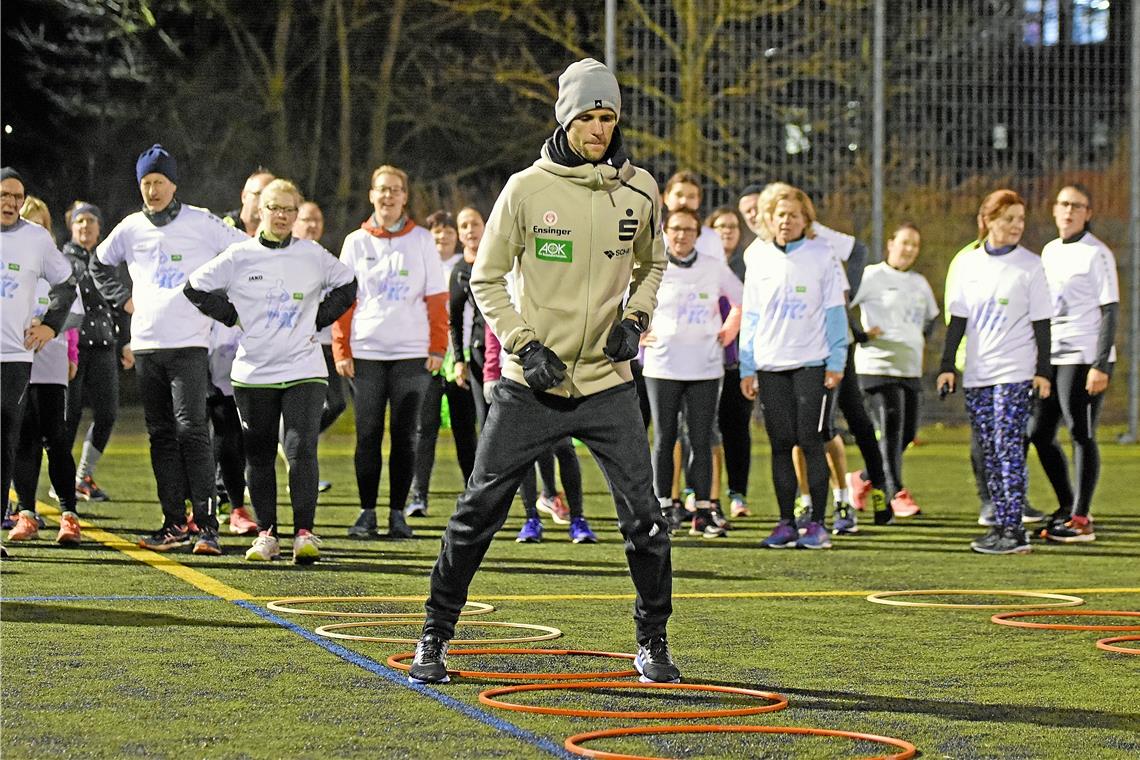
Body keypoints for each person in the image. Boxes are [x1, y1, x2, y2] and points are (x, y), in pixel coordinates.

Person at [410, 58, 676, 685]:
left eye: (608, 117)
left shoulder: (640, 190)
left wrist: (634, 321)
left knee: (646, 518)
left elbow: (654, 265)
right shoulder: (525, 190)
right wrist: (524, 345)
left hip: (609, 385)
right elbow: (486, 277)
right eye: (588, 117)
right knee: (478, 510)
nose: (599, 129)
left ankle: (653, 641)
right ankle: (433, 634)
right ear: (566, 118)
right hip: (533, 384)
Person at [186, 178, 356, 563]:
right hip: (253, 373)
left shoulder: (312, 254)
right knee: (259, 455)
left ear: (297, 214)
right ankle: (266, 535)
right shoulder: (239, 255)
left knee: (301, 449)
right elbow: (194, 287)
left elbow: (348, 284)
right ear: (259, 210)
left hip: (304, 369)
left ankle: (304, 534)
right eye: (274, 208)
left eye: (288, 209)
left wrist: (318, 317)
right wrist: (232, 317)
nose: (281, 216)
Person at [92, 144, 248, 554]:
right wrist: (122, 298)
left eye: (159, 182)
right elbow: (98, 263)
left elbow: (245, 249)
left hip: (190, 345)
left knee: (193, 431)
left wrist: (223, 304)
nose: (152, 190)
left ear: (173, 183)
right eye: (146, 183)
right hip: (146, 346)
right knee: (160, 435)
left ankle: (207, 526)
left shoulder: (201, 221)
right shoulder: (129, 227)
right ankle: (173, 523)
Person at [333, 165, 448, 539]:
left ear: (404, 196)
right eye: (381, 189)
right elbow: (344, 300)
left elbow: (436, 298)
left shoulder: (423, 241)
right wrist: (342, 348)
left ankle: (397, 513)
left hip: (411, 354)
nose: (388, 196)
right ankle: (367, 513)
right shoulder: (355, 242)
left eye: (395, 190)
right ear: (371, 195)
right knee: (367, 435)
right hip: (365, 352)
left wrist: (437, 346)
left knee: (405, 435)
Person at [938, 189, 1052, 555]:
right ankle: (1000, 525)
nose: (1017, 226)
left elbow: (1042, 325)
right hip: (977, 372)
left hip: (1015, 371)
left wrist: (1042, 371)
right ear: (988, 221)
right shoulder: (968, 265)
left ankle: (1014, 529)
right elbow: (958, 319)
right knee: (989, 449)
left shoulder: (1031, 266)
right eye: (1009, 219)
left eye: (1021, 219)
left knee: (1008, 447)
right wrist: (946, 365)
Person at [739, 185, 848, 550]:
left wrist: (837, 360)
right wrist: (747, 367)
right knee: (780, 444)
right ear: (769, 217)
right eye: (780, 214)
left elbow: (835, 311)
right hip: (770, 364)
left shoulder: (822, 255)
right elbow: (751, 314)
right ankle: (786, 522)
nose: (787, 221)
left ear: (806, 219)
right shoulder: (757, 256)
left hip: (811, 363)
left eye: (794, 215)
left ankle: (817, 524)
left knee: (810, 440)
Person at [643, 206, 742, 538]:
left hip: (705, 366)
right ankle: (663, 508)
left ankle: (703, 509)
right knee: (664, 438)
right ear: (665, 232)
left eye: (687, 229)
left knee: (699, 438)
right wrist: (638, 334)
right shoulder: (651, 267)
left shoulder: (714, 268)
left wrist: (730, 329)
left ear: (698, 235)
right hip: (663, 365)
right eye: (675, 229)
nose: (681, 235)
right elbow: (622, 299)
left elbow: (743, 299)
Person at [1030, 184, 1118, 543]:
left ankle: (1082, 519)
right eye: (1064, 204)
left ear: (1088, 213)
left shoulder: (1097, 254)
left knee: (1080, 433)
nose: (1069, 211)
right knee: (1038, 433)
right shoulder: (1049, 251)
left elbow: (1110, 310)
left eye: (1077, 206)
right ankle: (1068, 506)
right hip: (1053, 356)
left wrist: (1101, 364)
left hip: (1083, 358)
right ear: (1054, 210)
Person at [1, 168, 79, 550]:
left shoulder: (36, 240)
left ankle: (18, 517)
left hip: (17, 357)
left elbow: (67, 287)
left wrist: (50, 326)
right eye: (4, 194)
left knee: (9, 441)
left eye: (17, 196)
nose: (11, 203)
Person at [850, 223, 939, 516]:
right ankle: (895, 491)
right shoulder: (873, 276)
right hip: (877, 366)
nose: (909, 249)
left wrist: (916, 339)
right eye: (904, 243)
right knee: (889, 425)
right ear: (890, 243)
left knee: (906, 433)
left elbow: (932, 318)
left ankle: (862, 477)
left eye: (915, 244)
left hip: (909, 368)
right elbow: (840, 304)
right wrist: (860, 335)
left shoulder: (919, 283)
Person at [407, 210, 478, 518]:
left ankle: (474, 495)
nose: (443, 236)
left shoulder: (469, 268)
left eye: (449, 231)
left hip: (461, 358)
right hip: (429, 357)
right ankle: (418, 494)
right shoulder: (421, 267)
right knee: (426, 429)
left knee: (466, 429)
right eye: (437, 231)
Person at [62, 202, 132, 503]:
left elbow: (120, 303)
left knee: (107, 413)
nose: (85, 227)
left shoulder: (107, 260)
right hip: (73, 346)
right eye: (79, 222)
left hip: (104, 344)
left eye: (91, 221)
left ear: (100, 227)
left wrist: (126, 340)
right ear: (71, 227)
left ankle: (82, 476)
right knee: (69, 415)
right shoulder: (62, 259)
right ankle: (62, 478)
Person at [293, 200, 344, 493]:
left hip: (325, 345)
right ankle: (299, 466)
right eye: (306, 219)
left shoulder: (326, 259)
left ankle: (296, 442)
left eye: (317, 220)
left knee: (336, 403)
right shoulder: (285, 258)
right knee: (302, 409)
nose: (312, 225)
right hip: (297, 347)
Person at [706, 205, 752, 518]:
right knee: (700, 431)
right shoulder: (698, 265)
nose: (727, 231)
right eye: (720, 226)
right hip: (701, 362)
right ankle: (699, 492)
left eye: (733, 226)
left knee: (736, 428)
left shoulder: (748, 267)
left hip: (737, 361)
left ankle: (737, 493)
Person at [447, 206, 492, 430]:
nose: (470, 230)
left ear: (485, 226)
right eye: (464, 225)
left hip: (509, 348)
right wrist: (459, 360)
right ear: (459, 233)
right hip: (480, 350)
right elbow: (454, 320)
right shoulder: (459, 271)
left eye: (475, 224)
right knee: (485, 420)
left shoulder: (499, 258)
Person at [222, 169, 275, 236]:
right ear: (244, 196)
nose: (265, 201)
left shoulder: (281, 235)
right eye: (259, 194)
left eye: (272, 197)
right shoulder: (221, 225)